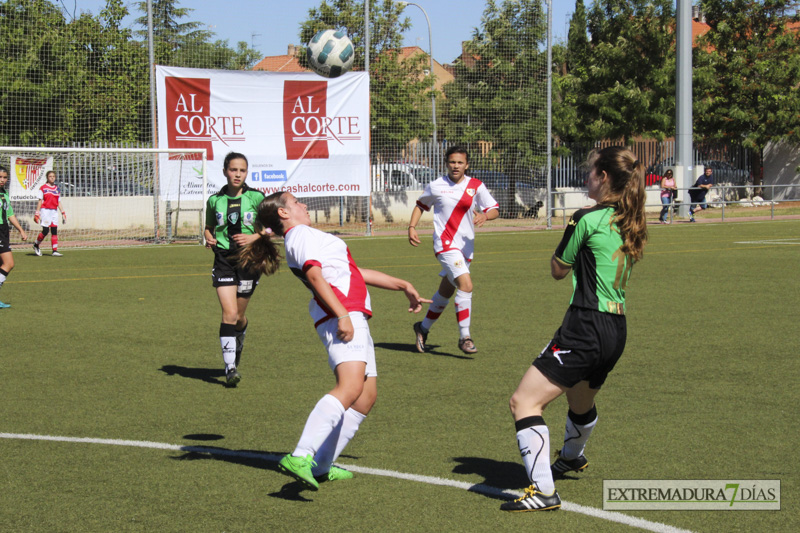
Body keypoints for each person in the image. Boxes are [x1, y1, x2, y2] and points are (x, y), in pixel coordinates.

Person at [237, 191, 430, 490]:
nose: (303, 204)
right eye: (296, 202)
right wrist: (342, 315)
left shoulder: (306, 235)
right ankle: (300, 455)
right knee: (350, 386)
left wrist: (402, 284)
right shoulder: (300, 235)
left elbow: (353, 273)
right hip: (342, 314)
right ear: (284, 214)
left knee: (365, 397)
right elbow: (315, 277)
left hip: (351, 314)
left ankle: (322, 465)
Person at [500, 146, 648, 512]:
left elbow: (558, 269)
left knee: (524, 402)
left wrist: (568, 236)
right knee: (580, 401)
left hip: (585, 324)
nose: (585, 178)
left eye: (590, 171)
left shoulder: (586, 217)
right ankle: (572, 456)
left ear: (604, 178)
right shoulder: (631, 218)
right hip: (616, 328)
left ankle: (544, 491)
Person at [407, 146, 499, 355]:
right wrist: (412, 227)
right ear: (446, 164)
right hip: (445, 244)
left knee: (445, 292)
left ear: (467, 165)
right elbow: (421, 205)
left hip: (465, 247)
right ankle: (464, 337)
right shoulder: (437, 185)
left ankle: (422, 328)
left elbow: (493, 209)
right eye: (452, 162)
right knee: (465, 285)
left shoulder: (475, 186)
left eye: (460, 162)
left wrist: (486, 216)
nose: (455, 166)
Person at [203, 152, 266, 387]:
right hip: (223, 259)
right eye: (233, 169)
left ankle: (239, 337)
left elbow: (272, 228)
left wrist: (253, 237)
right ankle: (230, 367)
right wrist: (209, 238)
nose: (237, 174)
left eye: (242, 170)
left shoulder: (257, 197)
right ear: (225, 171)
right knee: (228, 314)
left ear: (246, 173)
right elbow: (208, 228)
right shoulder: (214, 201)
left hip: (249, 261)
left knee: (239, 318)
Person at [0, 166, 29, 308]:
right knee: (9, 263)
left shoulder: (4, 193)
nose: (2, 180)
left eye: (5, 177)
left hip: (4, 230)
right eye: (0, 177)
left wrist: (21, 230)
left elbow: (10, 214)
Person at [33, 170, 67, 257]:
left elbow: (58, 202)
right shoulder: (43, 188)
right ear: (47, 178)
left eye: (53, 176)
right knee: (45, 231)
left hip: (54, 211)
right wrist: (37, 213)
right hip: (45, 211)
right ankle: (36, 245)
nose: (52, 178)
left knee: (54, 231)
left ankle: (54, 250)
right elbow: (40, 201)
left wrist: (63, 213)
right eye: (50, 176)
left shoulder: (57, 189)